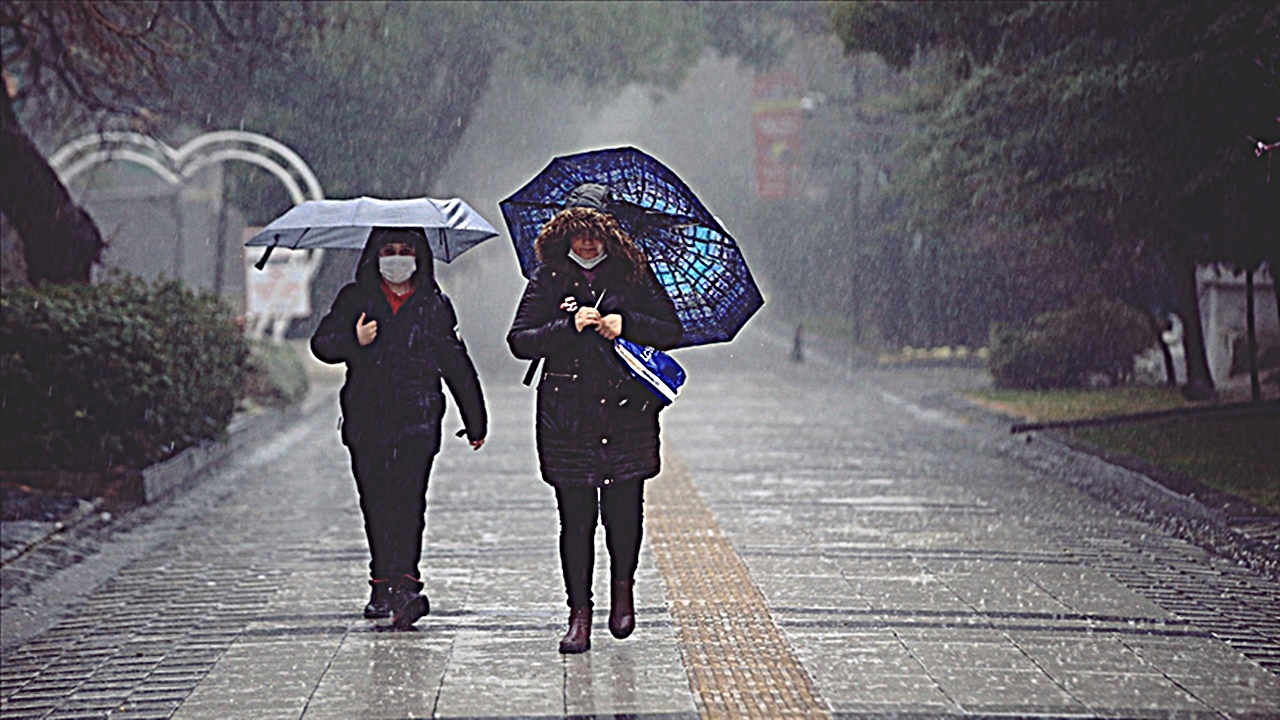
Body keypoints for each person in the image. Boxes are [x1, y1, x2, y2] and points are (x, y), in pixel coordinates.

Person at [506, 186, 682, 653]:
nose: (586, 243)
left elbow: (671, 329)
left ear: (611, 235)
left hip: (627, 413)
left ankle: (623, 593)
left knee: (625, 516)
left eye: (595, 233)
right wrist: (568, 327)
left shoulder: (634, 277)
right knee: (576, 519)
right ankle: (578, 613)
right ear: (565, 234)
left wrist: (627, 324)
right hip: (568, 417)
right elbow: (520, 339)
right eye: (578, 233)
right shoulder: (549, 279)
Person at [311, 227, 487, 629]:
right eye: (388, 250)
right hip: (367, 420)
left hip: (418, 417)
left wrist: (475, 418)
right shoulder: (355, 298)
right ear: (374, 255)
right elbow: (322, 344)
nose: (396, 259)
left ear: (419, 256)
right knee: (376, 501)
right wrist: (353, 340)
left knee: (409, 501)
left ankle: (406, 583)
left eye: (405, 251)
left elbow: (455, 362)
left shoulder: (434, 304)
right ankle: (381, 582)